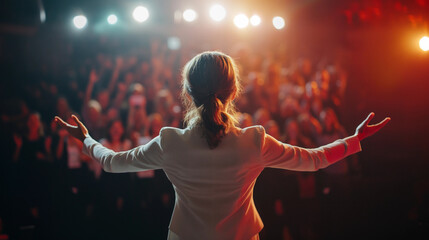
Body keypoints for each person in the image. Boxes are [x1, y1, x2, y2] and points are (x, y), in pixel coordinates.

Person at [55, 51, 390, 240]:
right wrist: (354, 139)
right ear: (233, 92)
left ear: (188, 92)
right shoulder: (254, 141)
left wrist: (85, 139)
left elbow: (111, 162)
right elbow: (314, 160)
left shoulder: (171, 142)